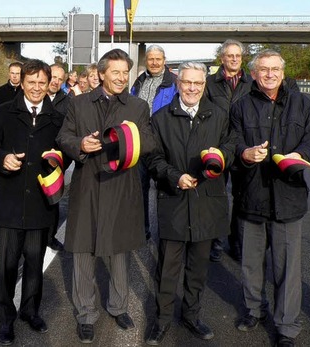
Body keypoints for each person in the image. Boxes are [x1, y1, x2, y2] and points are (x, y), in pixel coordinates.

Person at [56, 49, 156, 344]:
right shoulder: (79, 103)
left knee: (118, 252)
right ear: (101, 74)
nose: (122, 78)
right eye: (116, 72)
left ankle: (119, 307)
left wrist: (128, 142)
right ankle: (86, 315)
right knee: (83, 251)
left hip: (121, 186)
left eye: (125, 72)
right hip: (87, 185)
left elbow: (149, 140)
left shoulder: (138, 107)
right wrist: (80, 145)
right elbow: (63, 137)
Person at [230, 50, 310, 347]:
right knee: (251, 264)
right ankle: (254, 310)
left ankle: (286, 327)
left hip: (288, 196)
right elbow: (232, 141)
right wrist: (244, 153)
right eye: (264, 70)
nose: (270, 74)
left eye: (275, 69)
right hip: (252, 195)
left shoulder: (301, 103)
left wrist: (301, 155)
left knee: (287, 269)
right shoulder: (241, 105)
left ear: (283, 72)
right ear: (254, 73)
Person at [145, 62, 236, 345]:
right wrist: (175, 176)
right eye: (187, 83)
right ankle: (161, 320)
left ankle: (191, 316)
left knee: (197, 268)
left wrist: (218, 160)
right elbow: (152, 158)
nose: (192, 88)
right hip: (173, 199)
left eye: (198, 84)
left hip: (207, 201)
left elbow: (231, 147)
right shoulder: (160, 119)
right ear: (178, 84)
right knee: (168, 268)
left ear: (204, 86)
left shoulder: (220, 116)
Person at [0, 59, 65, 346]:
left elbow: (67, 151)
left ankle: (31, 310)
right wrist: (1, 158)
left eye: (42, 82)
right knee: (6, 265)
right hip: (10, 204)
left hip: (41, 205)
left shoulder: (57, 118)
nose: (37, 87)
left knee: (34, 262)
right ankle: (6, 319)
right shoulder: (4, 112)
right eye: (32, 82)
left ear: (49, 83)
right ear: (23, 83)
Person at [205, 39, 253, 263]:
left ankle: (236, 243)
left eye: (238, 56)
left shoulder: (252, 82)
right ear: (222, 58)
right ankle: (215, 242)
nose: (234, 59)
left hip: (243, 145)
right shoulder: (209, 83)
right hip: (218, 145)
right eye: (230, 55)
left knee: (242, 197)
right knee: (217, 196)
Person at [130, 44, 178, 240]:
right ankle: (143, 228)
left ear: (164, 61)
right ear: (146, 61)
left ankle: (167, 230)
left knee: (165, 188)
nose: (155, 62)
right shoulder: (138, 82)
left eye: (158, 59)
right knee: (139, 188)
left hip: (164, 144)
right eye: (151, 59)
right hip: (141, 143)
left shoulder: (174, 82)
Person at [46, 63, 70, 252]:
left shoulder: (68, 102)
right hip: (33, 158)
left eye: (60, 79)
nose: (55, 81)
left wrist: (61, 161)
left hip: (56, 161)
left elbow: (69, 134)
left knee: (53, 201)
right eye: (53, 77)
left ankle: (50, 236)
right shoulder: (34, 96)